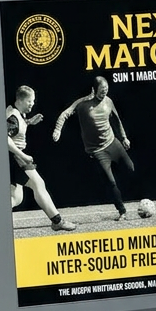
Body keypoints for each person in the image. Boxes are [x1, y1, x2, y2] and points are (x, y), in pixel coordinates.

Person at [52, 76, 142, 220]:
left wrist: (124, 137)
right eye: (101, 91)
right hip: (97, 151)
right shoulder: (82, 104)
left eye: (106, 90)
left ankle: (140, 201)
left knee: (130, 168)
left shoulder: (109, 101)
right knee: (111, 182)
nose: (104, 93)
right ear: (93, 90)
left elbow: (116, 120)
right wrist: (57, 130)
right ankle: (122, 211)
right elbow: (64, 114)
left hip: (113, 143)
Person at [7, 85, 75, 230]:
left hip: (13, 157)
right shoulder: (13, 116)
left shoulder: (16, 114)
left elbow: (14, 130)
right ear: (20, 100)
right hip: (15, 157)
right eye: (30, 101)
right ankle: (57, 221)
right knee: (38, 184)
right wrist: (22, 155)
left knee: (16, 198)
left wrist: (29, 122)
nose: (32, 104)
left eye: (33, 101)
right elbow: (4, 138)